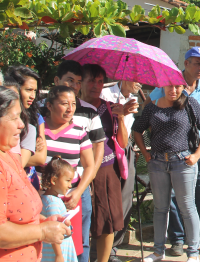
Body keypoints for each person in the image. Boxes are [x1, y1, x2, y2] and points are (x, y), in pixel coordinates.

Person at [146, 47, 200, 258]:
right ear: (186, 63)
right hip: (171, 153)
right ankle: (177, 240)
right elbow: (148, 110)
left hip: (198, 150)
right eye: (197, 63)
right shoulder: (168, 84)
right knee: (170, 198)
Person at [133, 83, 200, 262]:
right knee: (160, 208)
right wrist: (145, 153)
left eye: (177, 86)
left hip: (183, 161)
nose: (173, 90)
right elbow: (137, 130)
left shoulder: (190, 104)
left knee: (187, 207)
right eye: (169, 86)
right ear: (162, 86)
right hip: (158, 162)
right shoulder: (152, 107)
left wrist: (197, 154)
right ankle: (158, 251)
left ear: (182, 86)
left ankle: (193, 253)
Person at [0, 87, 71, 261]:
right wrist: (42, 231)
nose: (22, 125)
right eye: (14, 118)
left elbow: (16, 214)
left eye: (20, 117)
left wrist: (44, 221)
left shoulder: (10, 157)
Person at [79, 65, 131, 262]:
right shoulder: (71, 106)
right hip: (78, 169)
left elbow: (123, 142)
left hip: (106, 169)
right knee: (82, 220)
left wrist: (121, 117)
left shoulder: (109, 107)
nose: (96, 86)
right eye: (91, 80)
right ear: (80, 82)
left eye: (100, 81)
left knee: (107, 221)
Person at [41, 86, 96, 258]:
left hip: (70, 200)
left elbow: (90, 166)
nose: (70, 108)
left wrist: (78, 192)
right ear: (49, 106)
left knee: (72, 245)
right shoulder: (38, 129)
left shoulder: (79, 132)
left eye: (73, 103)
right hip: (41, 200)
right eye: (64, 103)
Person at [99, 81, 139, 262]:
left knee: (125, 197)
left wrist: (123, 115)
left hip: (124, 148)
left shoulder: (133, 99)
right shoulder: (105, 94)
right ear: (124, 77)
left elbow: (126, 134)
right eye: (135, 78)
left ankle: (113, 247)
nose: (138, 83)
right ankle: (98, 246)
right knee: (104, 199)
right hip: (104, 148)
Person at [7, 66, 47, 181]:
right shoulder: (2, 116)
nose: (33, 96)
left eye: (35, 91)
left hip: (26, 180)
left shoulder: (35, 118)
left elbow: (40, 157)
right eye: (28, 90)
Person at [40, 157, 78, 262]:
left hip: (59, 248)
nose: (70, 185)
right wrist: (58, 255)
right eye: (67, 180)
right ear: (54, 180)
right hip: (57, 251)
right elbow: (53, 229)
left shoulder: (51, 199)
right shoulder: (52, 203)